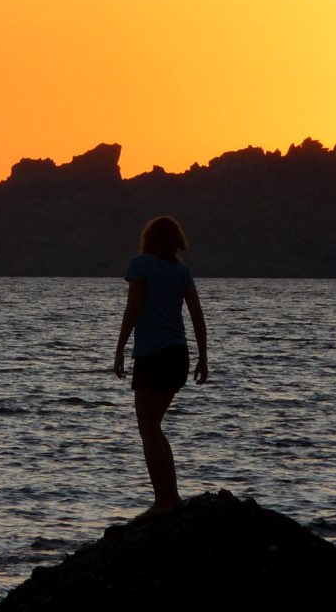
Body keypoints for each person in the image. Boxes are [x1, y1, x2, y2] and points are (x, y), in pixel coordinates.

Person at [113, 215, 208, 521]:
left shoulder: (140, 265)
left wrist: (119, 349)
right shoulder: (182, 271)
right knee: (155, 428)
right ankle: (171, 497)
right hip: (178, 356)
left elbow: (134, 307)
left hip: (152, 355)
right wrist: (203, 357)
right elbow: (197, 316)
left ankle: (164, 501)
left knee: (149, 429)